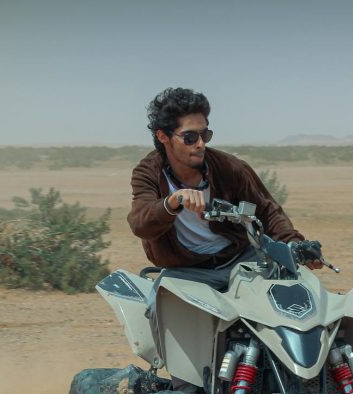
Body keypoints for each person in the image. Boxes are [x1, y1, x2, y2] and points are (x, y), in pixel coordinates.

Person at [128, 87, 320, 298]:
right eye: (190, 137)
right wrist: (172, 202)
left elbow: (267, 211)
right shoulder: (148, 172)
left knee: (295, 298)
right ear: (163, 136)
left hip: (241, 261)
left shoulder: (230, 167)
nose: (201, 144)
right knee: (162, 309)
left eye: (205, 135)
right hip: (186, 272)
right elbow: (140, 223)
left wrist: (296, 245)